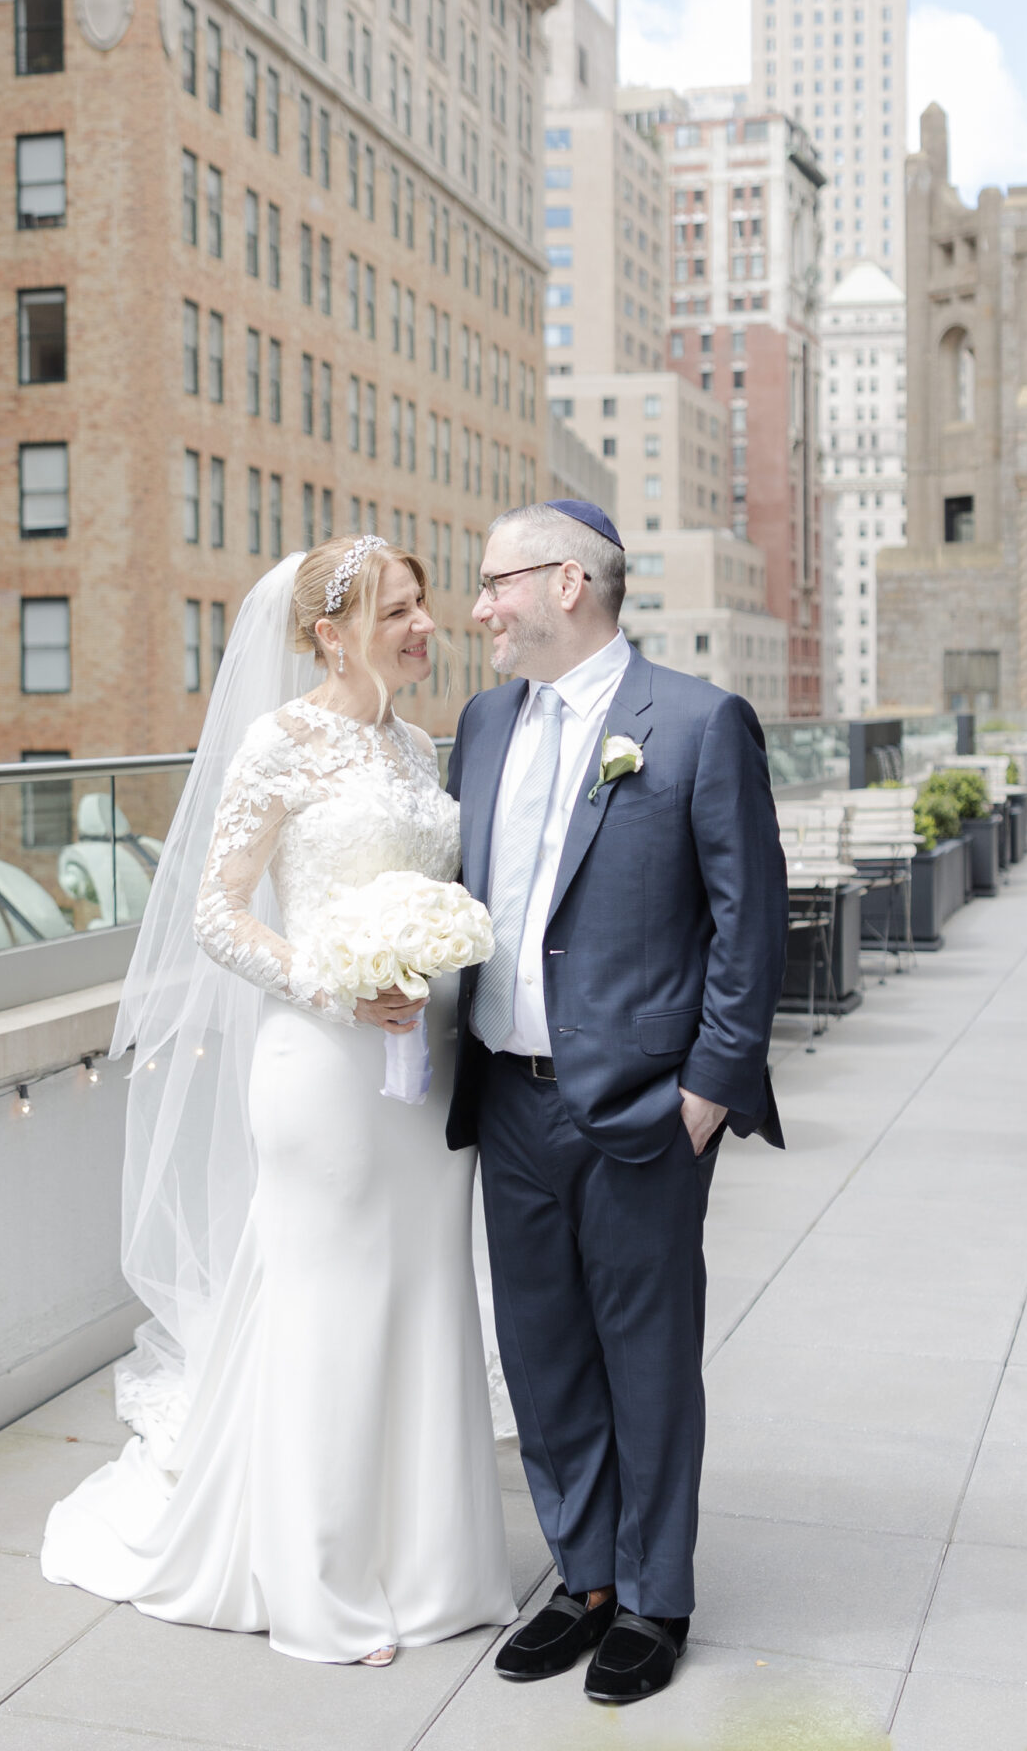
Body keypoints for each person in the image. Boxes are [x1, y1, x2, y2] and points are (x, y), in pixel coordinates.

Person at [41, 538, 514, 1665]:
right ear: (327, 635)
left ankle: (432, 1565)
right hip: (323, 1070)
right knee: (331, 1309)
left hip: (426, 1075)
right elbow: (216, 912)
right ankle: (321, 1584)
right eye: (398, 611)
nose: (424, 627)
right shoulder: (279, 742)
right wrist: (336, 984)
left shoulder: (414, 746)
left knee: (426, 1293)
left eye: (425, 607)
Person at [447, 498, 788, 1708]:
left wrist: (708, 1090)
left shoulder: (697, 724)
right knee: (541, 1358)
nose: (477, 607)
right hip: (506, 1102)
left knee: (647, 1358)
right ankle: (583, 1577)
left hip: (645, 1110)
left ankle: (654, 1596)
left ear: (568, 585)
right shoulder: (484, 723)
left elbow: (752, 923)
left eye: (494, 583)